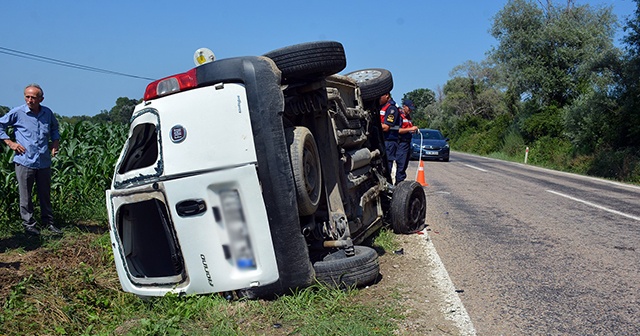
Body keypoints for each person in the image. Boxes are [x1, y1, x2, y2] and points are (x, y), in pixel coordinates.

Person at [0, 84, 62, 236]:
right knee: (25, 195)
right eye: (27, 96)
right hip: (25, 160)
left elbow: (54, 128)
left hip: (43, 160)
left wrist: (55, 142)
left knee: (45, 194)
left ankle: (48, 223)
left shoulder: (47, 113)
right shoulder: (18, 112)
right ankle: (29, 225)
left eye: (33, 97)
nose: (29, 100)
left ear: (41, 99)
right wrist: (10, 143)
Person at [378, 92, 402, 183]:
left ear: (387, 95)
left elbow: (386, 127)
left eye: (380, 96)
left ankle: (387, 186)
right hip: (382, 140)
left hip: (389, 142)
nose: (378, 98)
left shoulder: (392, 109)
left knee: (386, 166)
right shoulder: (380, 107)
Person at [396, 99, 419, 183]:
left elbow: (408, 129)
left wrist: (412, 130)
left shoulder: (409, 117)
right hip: (401, 143)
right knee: (401, 166)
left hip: (407, 143)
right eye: (409, 108)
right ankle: (399, 184)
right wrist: (410, 129)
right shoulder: (399, 116)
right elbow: (398, 130)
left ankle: (400, 182)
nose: (410, 110)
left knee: (405, 165)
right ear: (404, 107)